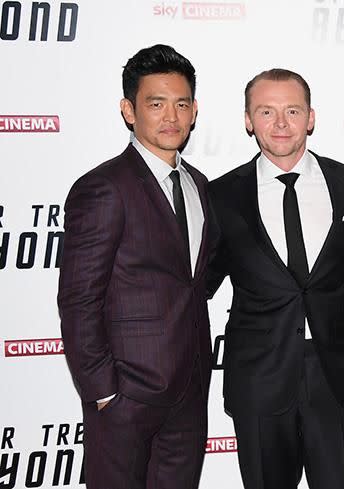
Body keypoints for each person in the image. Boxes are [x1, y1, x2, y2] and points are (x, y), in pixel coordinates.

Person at [58, 44, 212, 489]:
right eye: (156, 103)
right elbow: (78, 298)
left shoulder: (198, 184)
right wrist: (104, 391)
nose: (171, 116)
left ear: (195, 110)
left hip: (188, 391)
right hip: (126, 396)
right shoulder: (103, 187)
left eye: (181, 103)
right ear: (129, 110)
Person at [206, 69, 344, 489]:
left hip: (333, 375)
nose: (280, 124)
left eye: (292, 111)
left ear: (311, 117)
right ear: (247, 120)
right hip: (258, 378)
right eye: (266, 111)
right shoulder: (221, 196)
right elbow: (199, 282)